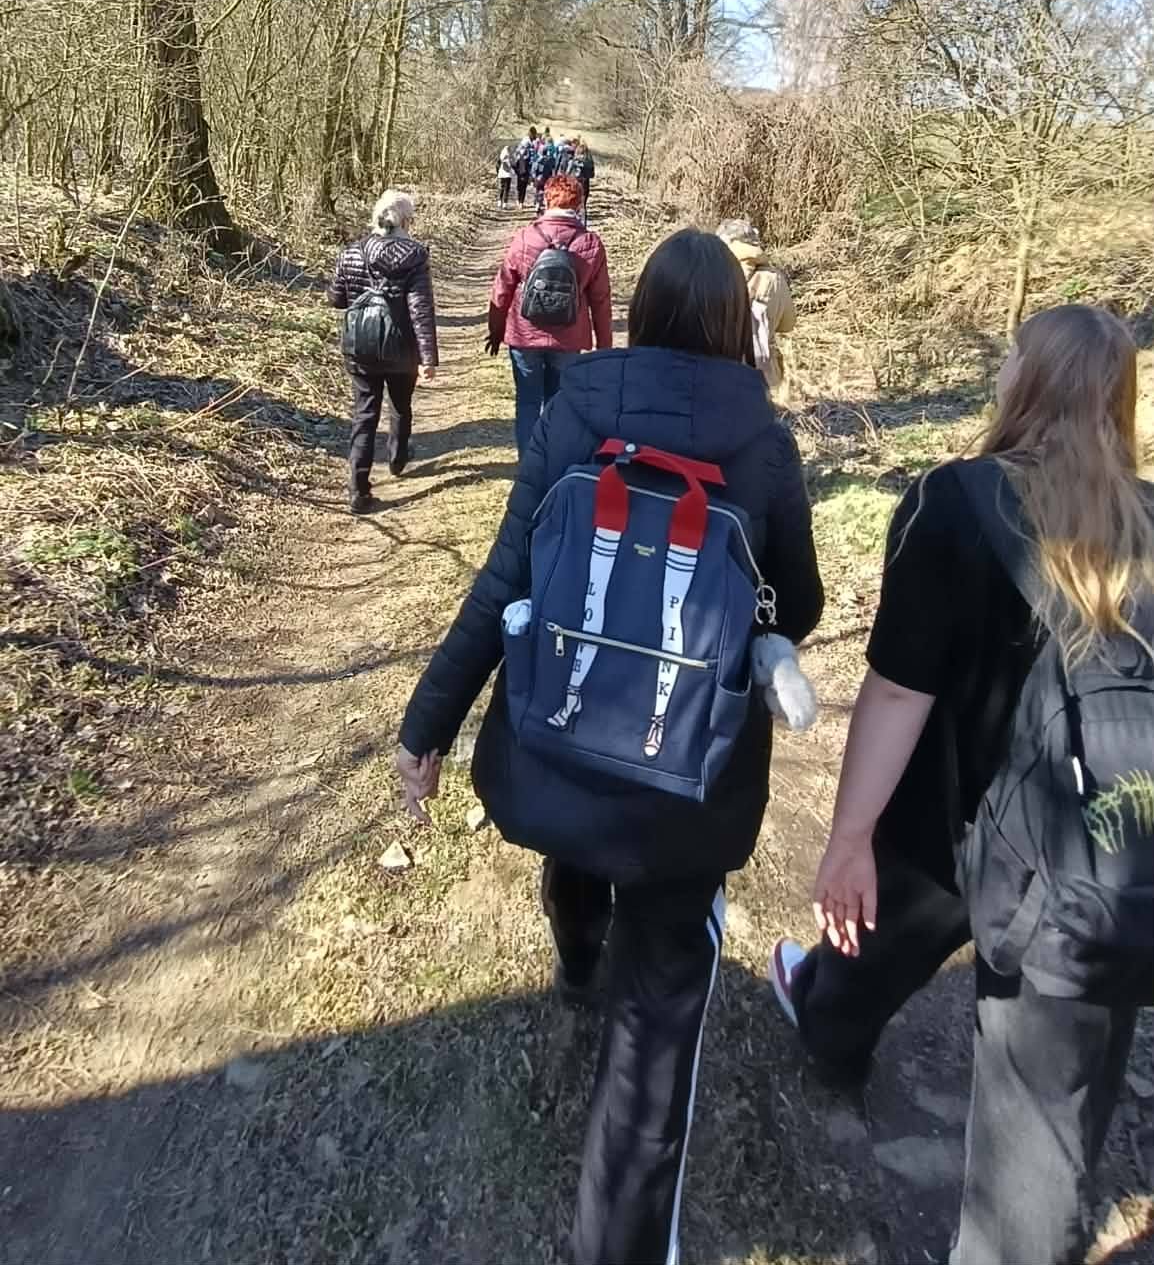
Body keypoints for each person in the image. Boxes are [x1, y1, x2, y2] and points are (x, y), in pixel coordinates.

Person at [396, 228, 824, 1265]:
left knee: (579, 843)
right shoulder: (764, 442)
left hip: (566, 732)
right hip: (691, 776)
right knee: (656, 1023)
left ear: (638, 313)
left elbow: (505, 578)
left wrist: (426, 728)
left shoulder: (576, 410)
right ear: (733, 326)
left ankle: (577, 949)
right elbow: (800, 603)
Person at [769, 304, 1154, 1265]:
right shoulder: (1149, 523)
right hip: (1098, 860)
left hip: (955, 823)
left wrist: (847, 836)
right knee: (1053, 1122)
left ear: (1025, 384)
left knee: (871, 941)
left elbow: (900, 689)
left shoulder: (954, 502)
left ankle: (828, 1034)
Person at [486, 172, 613, 457]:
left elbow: (502, 287)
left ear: (546, 201)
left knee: (527, 403)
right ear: (579, 205)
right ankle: (552, 464)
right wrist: (604, 347)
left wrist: (496, 330)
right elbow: (601, 300)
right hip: (569, 339)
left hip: (524, 335)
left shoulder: (525, 237)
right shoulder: (590, 243)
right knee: (559, 405)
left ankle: (528, 464)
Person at [327, 189, 438, 512]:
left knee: (364, 413)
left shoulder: (351, 252)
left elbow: (336, 299)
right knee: (400, 405)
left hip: (360, 346)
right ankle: (397, 457)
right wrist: (428, 358)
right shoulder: (416, 255)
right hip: (401, 347)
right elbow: (420, 309)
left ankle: (357, 489)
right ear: (406, 221)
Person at [717, 218, 796, 398]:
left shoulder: (713, 274)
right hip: (763, 378)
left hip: (719, 375)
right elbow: (788, 324)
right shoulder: (774, 278)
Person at [530, 137, 557, 214]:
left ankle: (537, 205)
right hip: (546, 178)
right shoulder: (550, 160)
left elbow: (534, 169)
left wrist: (533, 177)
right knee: (546, 192)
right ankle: (545, 205)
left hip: (538, 178)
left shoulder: (537, 159)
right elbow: (552, 170)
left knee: (538, 191)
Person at [569, 137, 595, 210]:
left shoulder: (574, 160)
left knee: (574, 204)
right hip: (585, 184)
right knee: (583, 205)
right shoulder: (589, 161)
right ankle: (583, 216)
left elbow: (569, 172)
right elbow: (592, 175)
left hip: (575, 183)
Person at [513, 134, 534, 207]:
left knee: (519, 187)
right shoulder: (529, 155)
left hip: (520, 173)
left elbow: (514, 165)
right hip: (526, 173)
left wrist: (517, 172)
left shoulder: (519, 155)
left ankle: (519, 201)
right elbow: (531, 164)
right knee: (523, 188)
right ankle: (521, 202)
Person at [496, 142, 516, 207]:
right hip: (508, 175)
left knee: (501, 189)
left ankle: (499, 202)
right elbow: (514, 165)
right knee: (506, 190)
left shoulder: (501, 158)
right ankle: (505, 203)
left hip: (501, 175)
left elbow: (497, 166)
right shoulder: (511, 157)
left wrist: (498, 173)